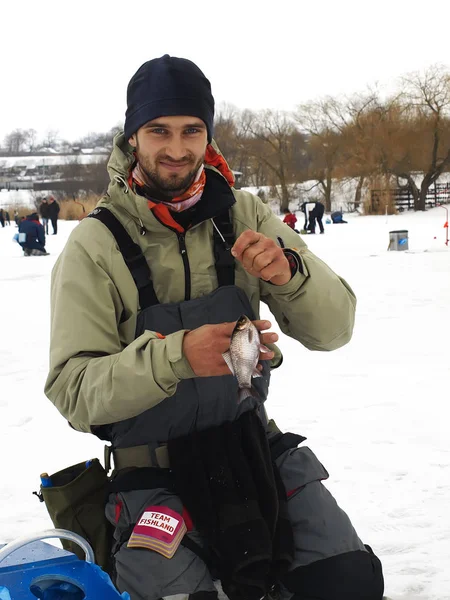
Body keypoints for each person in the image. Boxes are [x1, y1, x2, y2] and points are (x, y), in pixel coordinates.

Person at [45, 55, 384, 600]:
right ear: (133, 136)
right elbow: (73, 391)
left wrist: (290, 275)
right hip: (153, 472)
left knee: (347, 580)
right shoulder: (94, 245)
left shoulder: (245, 214)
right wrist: (175, 357)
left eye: (191, 130)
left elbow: (335, 328)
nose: (176, 148)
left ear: (208, 135)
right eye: (158, 130)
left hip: (251, 445)